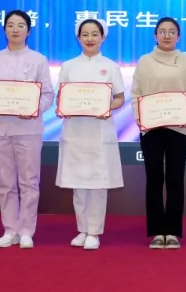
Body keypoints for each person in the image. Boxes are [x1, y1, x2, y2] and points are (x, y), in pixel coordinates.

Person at [0, 10, 55, 249]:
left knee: (29, 181)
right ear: (4, 30)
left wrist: (34, 109)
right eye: (10, 25)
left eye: (21, 25)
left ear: (28, 31)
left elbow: (48, 94)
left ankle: (26, 231)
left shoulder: (38, 60)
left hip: (28, 129)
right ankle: (10, 229)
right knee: (5, 183)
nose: (15, 29)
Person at [55, 18, 127, 251]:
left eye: (95, 34)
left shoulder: (110, 66)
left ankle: (94, 231)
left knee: (98, 183)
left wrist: (107, 108)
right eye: (85, 34)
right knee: (78, 183)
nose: (90, 38)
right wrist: (62, 106)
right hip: (75, 131)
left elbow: (119, 98)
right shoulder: (68, 66)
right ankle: (82, 229)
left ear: (103, 37)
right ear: (78, 37)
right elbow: (61, 97)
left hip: (99, 131)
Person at [130, 17, 186, 250]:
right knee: (153, 180)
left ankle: (172, 231)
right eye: (162, 31)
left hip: (178, 128)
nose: (167, 35)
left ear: (178, 36)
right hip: (151, 128)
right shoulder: (145, 62)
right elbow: (136, 94)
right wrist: (141, 118)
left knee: (175, 180)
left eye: (172, 32)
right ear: (155, 35)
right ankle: (156, 232)